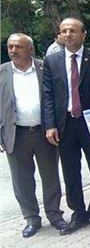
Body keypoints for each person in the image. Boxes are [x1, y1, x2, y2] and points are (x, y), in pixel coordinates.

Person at [42, 18, 90, 235]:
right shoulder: (52, 61)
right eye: (64, 31)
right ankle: (79, 212)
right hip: (65, 124)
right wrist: (50, 125)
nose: (68, 34)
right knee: (70, 171)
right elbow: (47, 95)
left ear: (83, 34)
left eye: (72, 31)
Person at [1, 33, 67, 237]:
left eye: (18, 47)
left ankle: (54, 214)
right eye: (10, 47)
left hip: (44, 132)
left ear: (30, 49)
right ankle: (31, 218)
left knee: (50, 176)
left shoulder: (44, 68)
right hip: (16, 134)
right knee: (21, 179)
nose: (13, 50)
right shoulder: (2, 73)